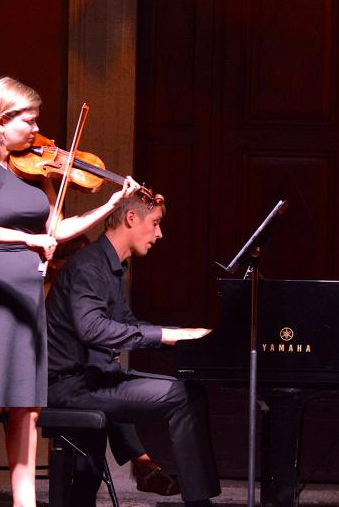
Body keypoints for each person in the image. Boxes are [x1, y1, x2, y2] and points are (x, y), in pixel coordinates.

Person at [0, 76, 141, 507]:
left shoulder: (33, 171)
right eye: (27, 122)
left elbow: (57, 228)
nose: (35, 131)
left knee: (26, 409)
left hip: (28, 294)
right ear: (0, 120)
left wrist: (109, 205)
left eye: (36, 121)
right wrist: (26, 240)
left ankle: (25, 502)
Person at [45, 192, 220, 507]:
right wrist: (165, 335)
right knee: (184, 396)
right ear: (130, 218)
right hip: (67, 385)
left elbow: (128, 324)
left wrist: (183, 336)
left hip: (87, 380)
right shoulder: (90, 266)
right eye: (154, 223)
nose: (159, 234)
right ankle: (199, 503)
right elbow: (91, 328)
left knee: (189, 393)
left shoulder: (109, 267)